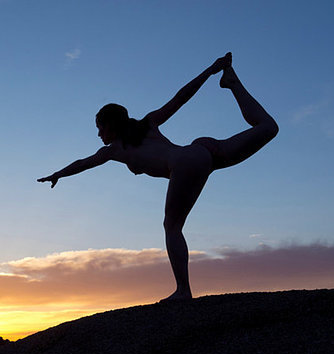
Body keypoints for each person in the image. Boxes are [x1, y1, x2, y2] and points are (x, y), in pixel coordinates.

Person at [37, 53, 278, 300]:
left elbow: (84, 163)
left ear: (110, 125)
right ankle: (232, 83)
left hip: (186, 163)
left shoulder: (116, 150)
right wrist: (212, 70)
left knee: (171, 226)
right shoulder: (147, 125)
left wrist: (58, 174)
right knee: (268, 128)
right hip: (203, 152)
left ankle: (183, 291)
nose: (98, 134)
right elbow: (180, 98)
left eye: (100, 127)